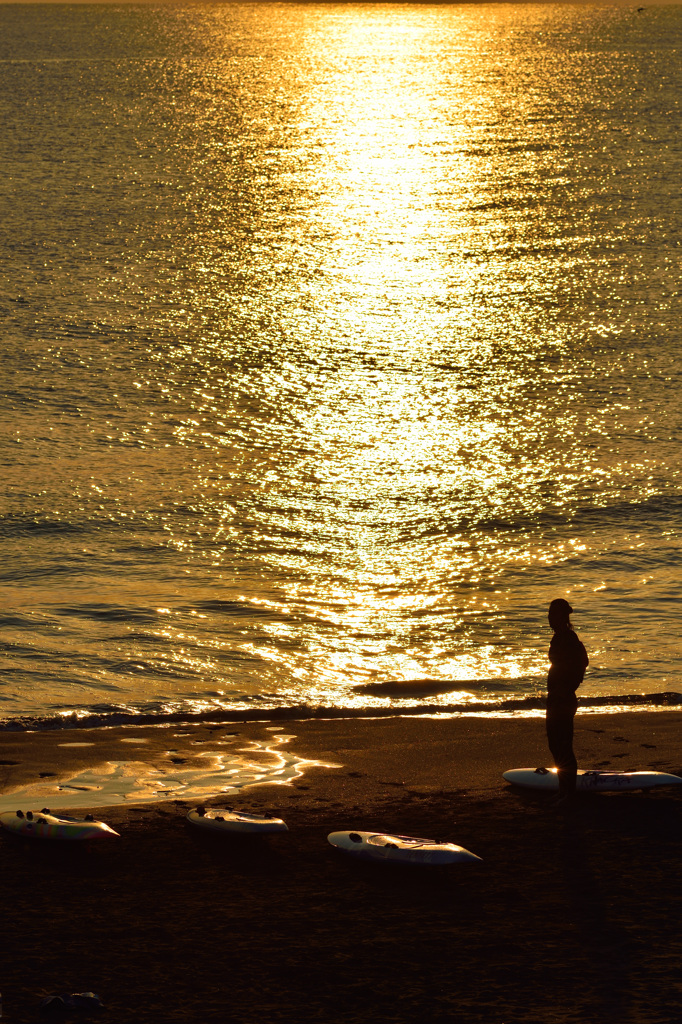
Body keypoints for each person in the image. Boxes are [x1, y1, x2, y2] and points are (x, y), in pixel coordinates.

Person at [546, 598, 588, 804]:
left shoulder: (569, 638)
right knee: (555, 744)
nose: (549, 618)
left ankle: (568, 792)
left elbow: (582, 662)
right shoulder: (559, 637)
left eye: (552, 614)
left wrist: (568, 687)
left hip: (563, 698)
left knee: (563, 744)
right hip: (556, 697)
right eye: (549, 613)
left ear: (562, 616)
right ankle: (564, 790)